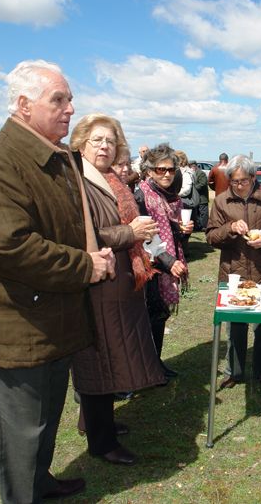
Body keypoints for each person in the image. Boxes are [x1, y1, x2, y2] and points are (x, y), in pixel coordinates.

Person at [0, 59, 116, 502]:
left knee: (45, 420)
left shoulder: (54, 157)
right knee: (21, 432)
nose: (70, 109)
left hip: (53, 318)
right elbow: (10, 246)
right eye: (59, 100)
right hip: (18, 324)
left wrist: (95, 251)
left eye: (70, 99)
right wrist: (85, 266)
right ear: (24, 105)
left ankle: (40, 483)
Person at [69, 113, 167, 466]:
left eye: (110, 141)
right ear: (81, 142)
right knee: (99, 359)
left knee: (108, 356)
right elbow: (80, 233)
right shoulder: (76, 179)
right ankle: (101, 441)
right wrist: (131, 232)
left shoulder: (109, 177)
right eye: (97, 140)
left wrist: (138, 234)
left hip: (118, 280)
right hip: (97, 283)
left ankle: (96, 423)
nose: (105, 147)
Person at [206, 155, 261, 388]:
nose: (239, 185)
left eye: (243, 181)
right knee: (235, 326)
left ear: (253, 178)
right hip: (234, 273)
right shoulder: (221, 201)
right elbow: (211, 236)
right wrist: (230, 228)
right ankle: (235, 372)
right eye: (234, 181)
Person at [135, 144, 194, 377]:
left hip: (164, 263)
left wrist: (182, 231)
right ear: (150, 171)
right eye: (161, 169)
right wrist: (169, 262)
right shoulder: (142, 196)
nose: (167, 174)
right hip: (149, 266)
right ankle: (148, 369)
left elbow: (170, 232)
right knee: (150, 318)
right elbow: (145, 237)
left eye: (171, 169)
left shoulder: (171, 197)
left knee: (158, 317)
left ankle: (154, 365)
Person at [190, 161, 210, 231]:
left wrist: (194, 188)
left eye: (191, 167)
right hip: (196, 197)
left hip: (202, 197)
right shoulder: (192, 173)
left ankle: (204, 226)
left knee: (203, 212)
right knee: (197, 212)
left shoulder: (201, 173)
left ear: (194, 166)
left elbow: (203, 183)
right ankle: (198, 226)